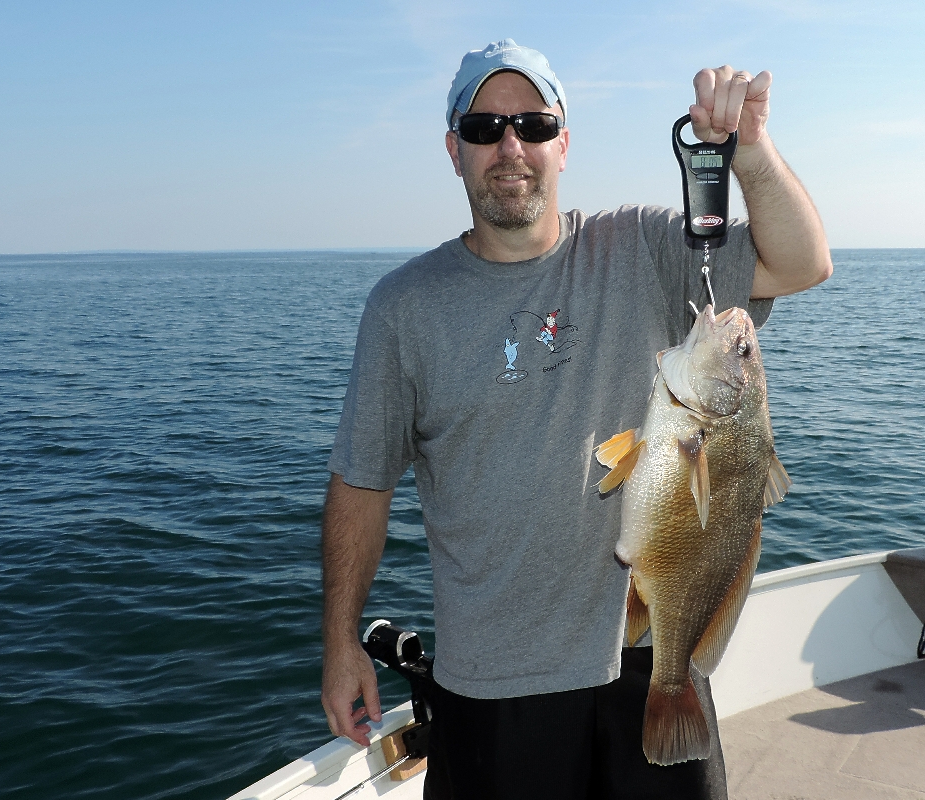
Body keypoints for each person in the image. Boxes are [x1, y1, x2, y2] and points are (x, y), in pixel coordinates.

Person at [320, 39, 831, 799]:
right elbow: (361, 483)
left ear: (563, 144)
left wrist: (750, 150)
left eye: (533, 125)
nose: (511, 147)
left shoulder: (641, 245)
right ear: (454, 150)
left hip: (648, 651)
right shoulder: (404, 307)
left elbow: (802, 263)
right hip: (492, 680)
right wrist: (340, 642)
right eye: (485, 128)